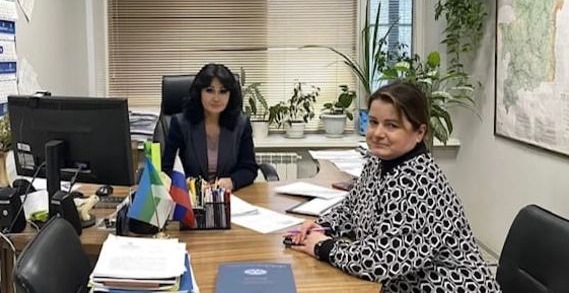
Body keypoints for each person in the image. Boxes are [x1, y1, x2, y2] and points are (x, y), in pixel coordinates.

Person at [287, 81, 501, 293]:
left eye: (392, 125)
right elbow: (352, 207)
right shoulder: (378, 161)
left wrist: (323, 247)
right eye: (373, 122)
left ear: (419, 132)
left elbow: (379, 262)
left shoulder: (416, 182)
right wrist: (321, 226)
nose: (378, 133)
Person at [162, 63, 258, 191]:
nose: (216, 98)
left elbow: (249, 168)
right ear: (199, 92)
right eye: (209, 90)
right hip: (191, 198)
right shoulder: (181, 124)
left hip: (229, 196)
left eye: (223, 91)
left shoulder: (241, 124)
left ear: (231, 94)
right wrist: (190, 183)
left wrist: (232, 181)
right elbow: (167, 169)